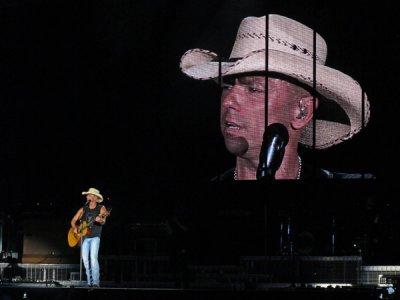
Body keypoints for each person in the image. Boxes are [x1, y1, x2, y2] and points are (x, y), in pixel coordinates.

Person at [180, 14, 372, 180]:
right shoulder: (197, 210)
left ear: (302, 112)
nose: (228, 101)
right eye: (227, 85)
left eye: (254, 89)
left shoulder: (350, 205)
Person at [71, 187, 108, 287]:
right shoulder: (84, 209)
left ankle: (96, 283)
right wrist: (74, 227)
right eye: (87, 195)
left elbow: (103, 219)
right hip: (85, 238)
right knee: (85, 260)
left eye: (89, 195)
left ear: (95, 197)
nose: (87, 196)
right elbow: (73, 220)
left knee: (93, 258)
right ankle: (89, 282)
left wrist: (100, 219)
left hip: (95, 237)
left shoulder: (101, 208)